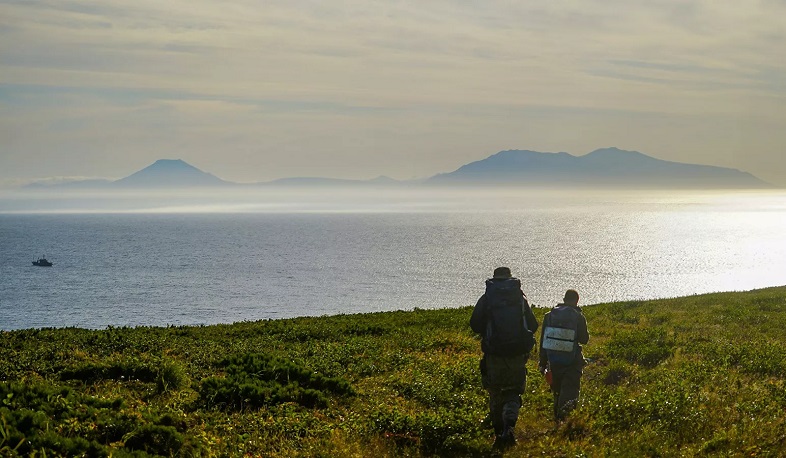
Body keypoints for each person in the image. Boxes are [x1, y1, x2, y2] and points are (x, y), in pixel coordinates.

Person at [470, 267, 538, 449]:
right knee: (513, 392)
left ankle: (498, 434)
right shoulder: (520, 299)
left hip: (493, 355)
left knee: (495, 393)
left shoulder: (487, 298)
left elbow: (474, 324)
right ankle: (509, 427)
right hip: (517, 355)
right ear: (510, 278)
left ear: (494, 279)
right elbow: (533, 325)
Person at [538, 289, 589, 422]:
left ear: (564, 299)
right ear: (576, 301)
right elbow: (584, 339)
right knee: (570, 391)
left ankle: (557, 420)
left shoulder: (548, 316)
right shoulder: (578, 316)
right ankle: (564, 422)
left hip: (553, 361)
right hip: (572, 362)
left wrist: (542, 363)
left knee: (557, 391)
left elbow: (544, 341)